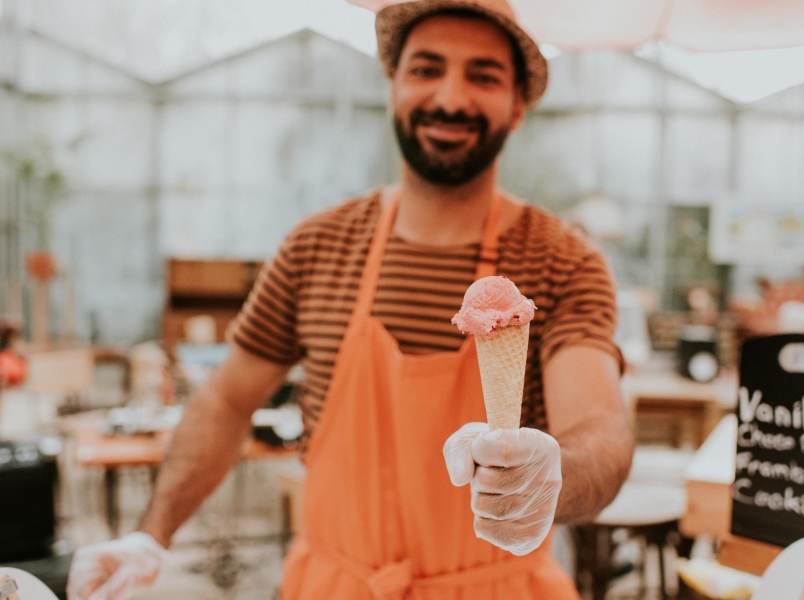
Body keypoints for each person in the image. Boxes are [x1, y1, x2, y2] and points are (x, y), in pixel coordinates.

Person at [67, 0, 634, 598]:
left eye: (483, 75)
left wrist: (551, 478)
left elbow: (600, 429)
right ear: (392, 84)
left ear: (518, 106)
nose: (449, 97)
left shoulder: (564, 261)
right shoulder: (318, 247)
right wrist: (150, 535)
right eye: (426, 68)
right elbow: (227, 401)